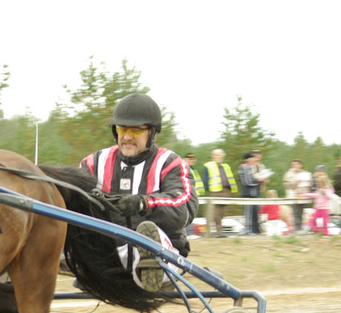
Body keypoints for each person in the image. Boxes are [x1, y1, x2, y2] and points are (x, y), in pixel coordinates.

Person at [79, 93, 197, 292]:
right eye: (122, 129)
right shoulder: (94, 162)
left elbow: (184, 207)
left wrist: (143, 204)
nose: (126, 137)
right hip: (110, 251)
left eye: (135, 131)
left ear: (152, 133)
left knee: (148, 234)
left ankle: (150, 268)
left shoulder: (169, 163)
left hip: (164, 249)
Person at [201, 149, 237, 237]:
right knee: (216, 213)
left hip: (225, 191)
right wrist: (208, 189)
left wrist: (230, 189)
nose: (217, 157)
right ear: (212, 156)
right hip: (214, 191)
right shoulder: (208, 166)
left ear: (223, 156)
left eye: (219, 155)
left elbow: (229, 178)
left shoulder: (226, 166)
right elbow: (205, 179)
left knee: (222, 213)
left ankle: (219, 231)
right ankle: (217, 232)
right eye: (215, 155)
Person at [238, 151, 267, 235]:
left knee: (255, 213)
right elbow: (247, 181)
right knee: (248, 213)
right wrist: (258, 181)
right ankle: (247, 229)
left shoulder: (249, 167)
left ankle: (254, 230)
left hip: (254, 193)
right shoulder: (244, 167)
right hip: (248, 194)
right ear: (249, 159)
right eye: (253, 158)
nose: (254, 160)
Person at [300, 171, 336, 236]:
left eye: (319, 183)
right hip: (318, 208)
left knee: (325, 221)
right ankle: (315, 229)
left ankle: (326, 232)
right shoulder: (319, 190)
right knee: (314, 218)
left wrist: (325, 192)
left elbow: (330, 196)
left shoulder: (327, 190)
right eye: (317, 182)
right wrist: (304, 195)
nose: (317, 184)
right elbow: (314, 195)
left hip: (324, 208)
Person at [282, 159, 312, 232]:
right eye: (294, 164)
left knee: (302, 212)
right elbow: (286, 184)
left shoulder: (305, 173)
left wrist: (309, 182)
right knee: (296, 212)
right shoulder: (288, 174)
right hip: (294, 195)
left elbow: (310, 185)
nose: (296, 166)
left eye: (298, 164)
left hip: (304, 195)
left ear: (301, 165)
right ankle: (297, 228)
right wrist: (296, 182)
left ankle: (301, 227)